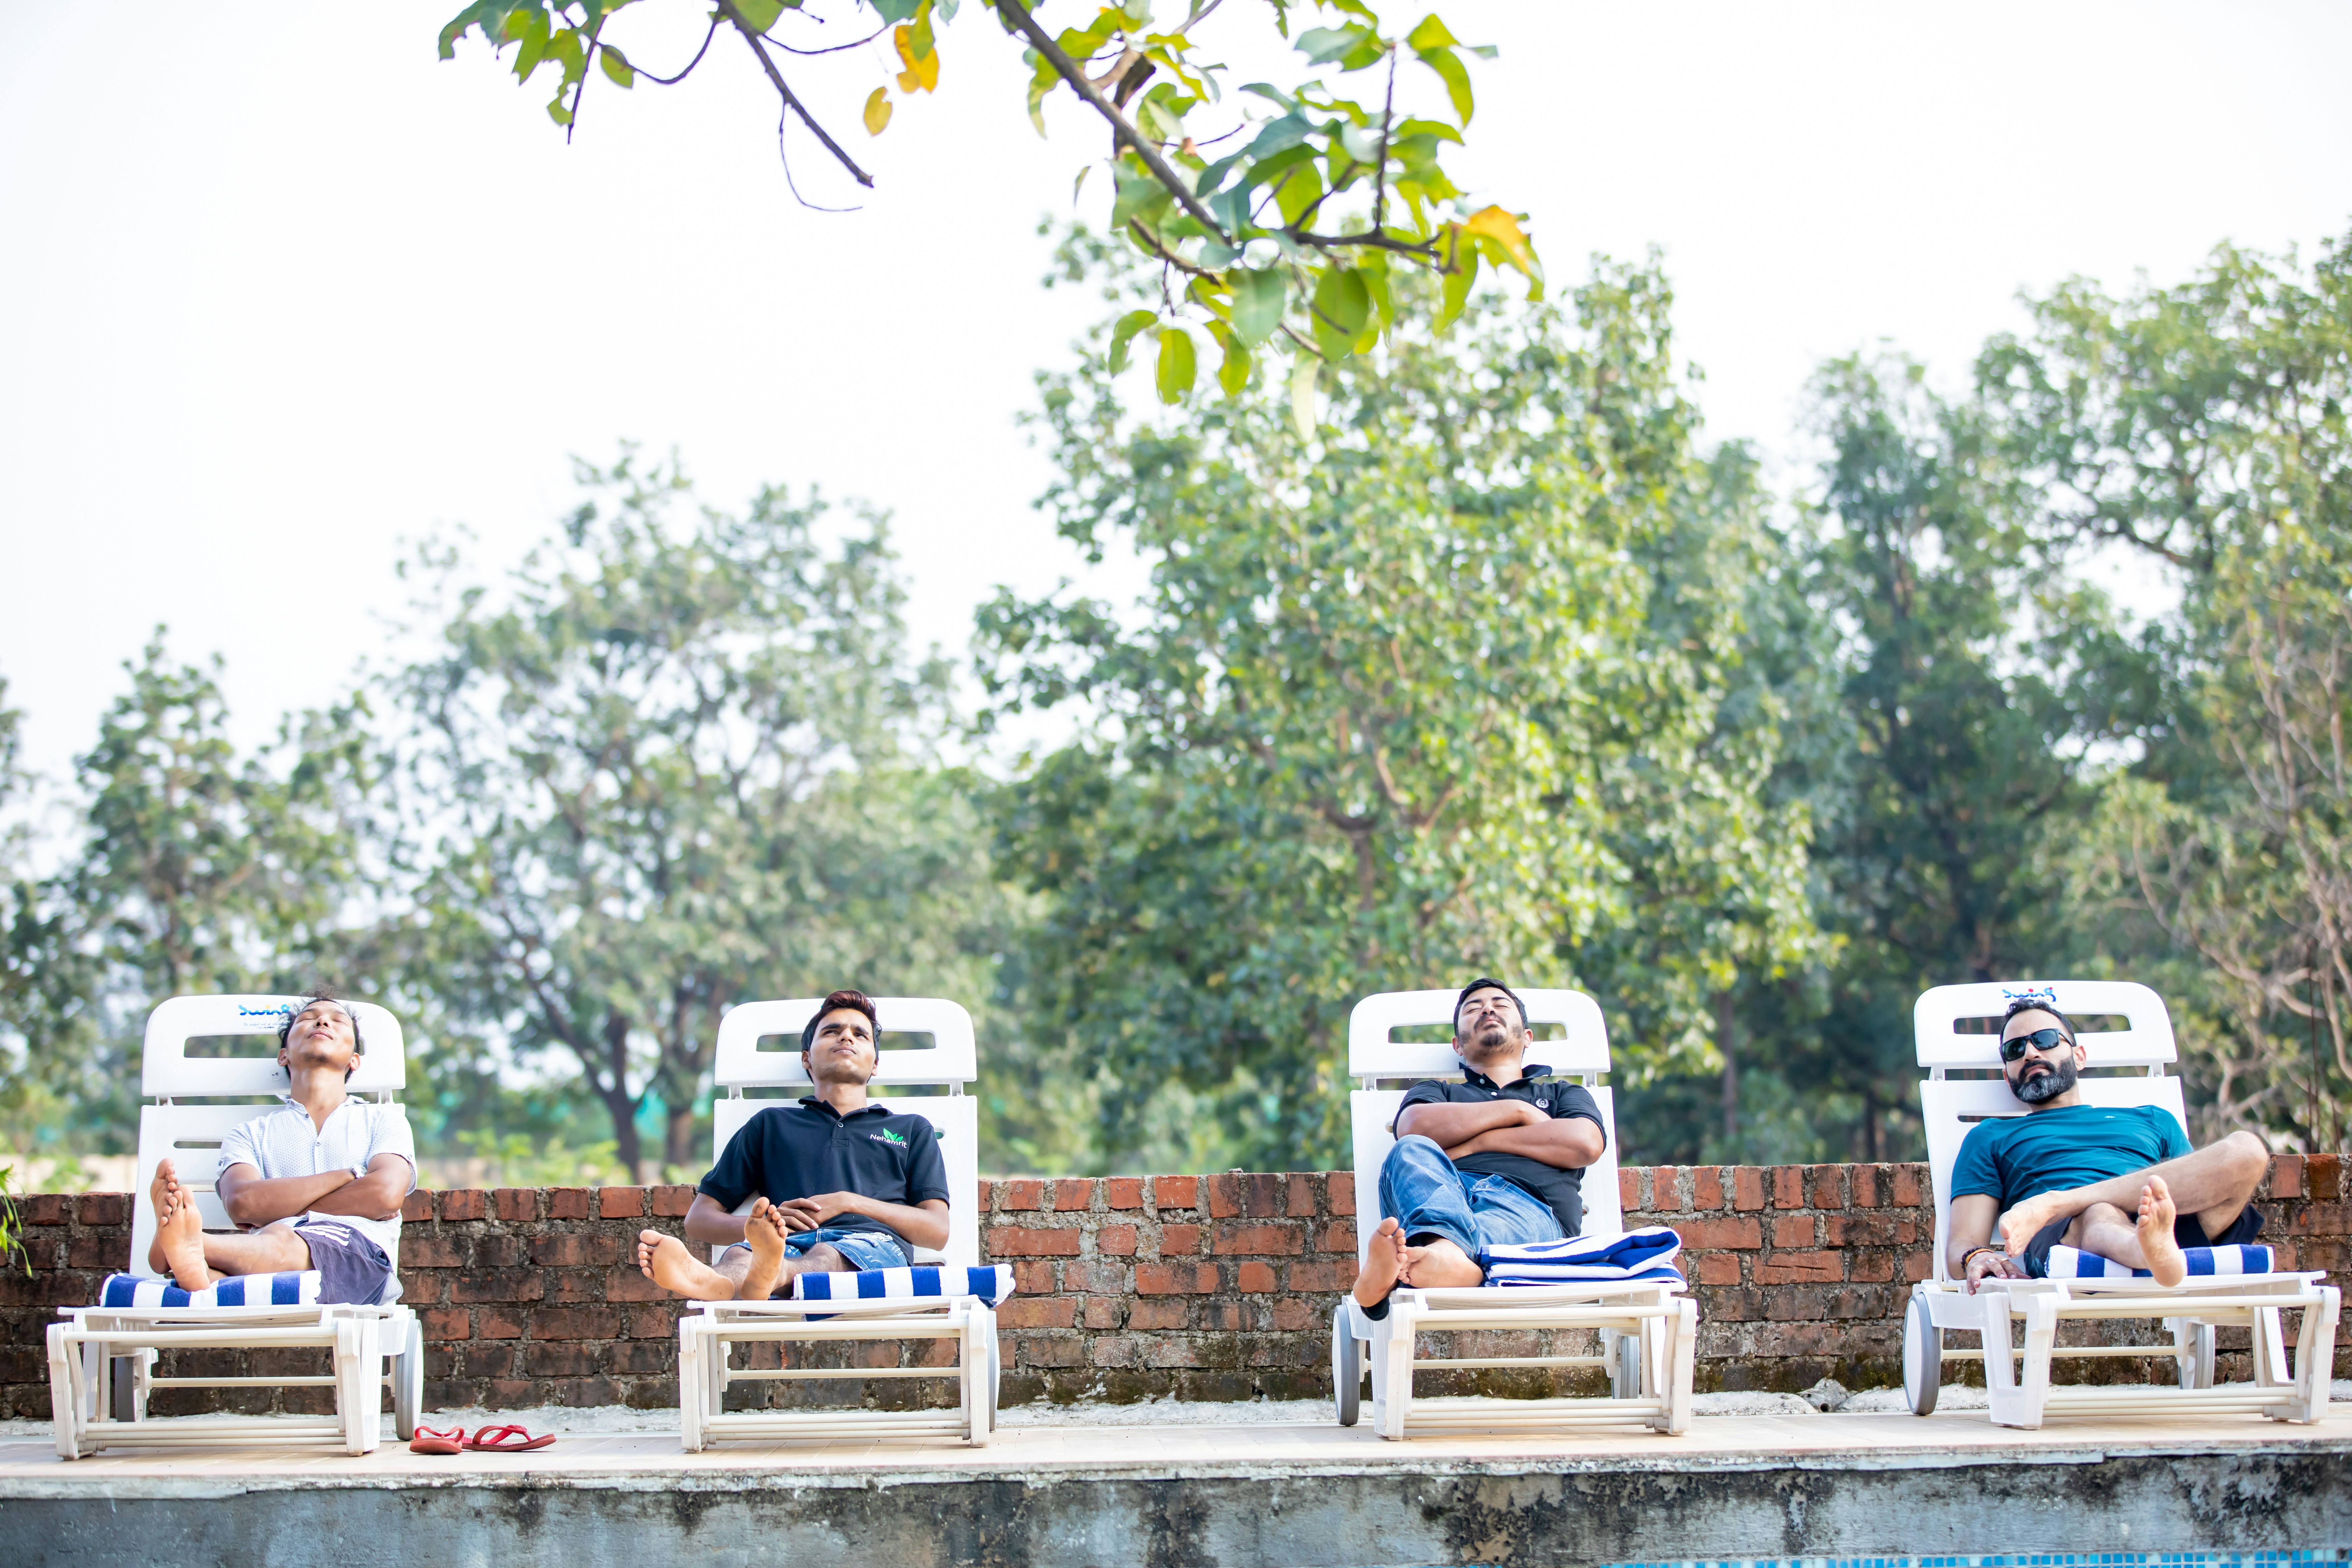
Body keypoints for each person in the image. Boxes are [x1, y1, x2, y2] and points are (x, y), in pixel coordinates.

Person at [636, 989, 951, 1300]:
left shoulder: (910, 1129)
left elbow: (937, 1231)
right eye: (832, 1031)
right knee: (742, 1257)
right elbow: (699, 1220)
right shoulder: (771, 1125)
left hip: (870, 1248)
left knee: (828, 1254)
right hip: (783, 1245)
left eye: (860, 1034)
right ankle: (713, 1281)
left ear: (875, 1064)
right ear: (806, 1059)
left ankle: (770, 1276)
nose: (846, 1038)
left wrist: (849, 1202)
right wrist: (760, 1228)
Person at [1947, 994, 2270, 1290]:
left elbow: (2190, 1193)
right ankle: (2146, 1249)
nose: (2031, 1053)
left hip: (2170, 1227)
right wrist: (1975, 1257)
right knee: (2100, 1211)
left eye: (2044, 1040)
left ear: (2080, 1056)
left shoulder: (2153, 1119)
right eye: (2015, 1050)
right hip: (2072, 1237)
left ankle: (2071, 1207)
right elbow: (1963, 1243)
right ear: (2008, 1076)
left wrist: (2056, 1203)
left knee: (2249, 1149)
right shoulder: (1991, 1136)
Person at [1350, 978, 1607, 1314]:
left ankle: (1418, 1267)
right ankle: (1446, 1261)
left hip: (1529, 1206)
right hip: (1444, 1193)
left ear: (1527, 1037)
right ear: (1458, 1045)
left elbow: (1585, 1144)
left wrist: (1479, 1142)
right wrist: (1517, 1111)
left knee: (1493, 1226)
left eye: (1500, 1005)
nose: (1487, 1008)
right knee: (1411, 1149)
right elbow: (1415, 1129)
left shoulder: (1562, 1095)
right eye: (1474, 1008)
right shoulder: (1439, 1093)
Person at [146, 989, 416, 1304]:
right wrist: (344, 1177)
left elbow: (384, 1194)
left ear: (354, 1059)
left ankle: (191, 1244)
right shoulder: (249, 1134)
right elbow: (243, 1205)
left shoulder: (383, 1121)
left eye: (338, 1020)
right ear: (283, 1055)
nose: (323, 1021)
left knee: (282, 1236)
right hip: (270, 1262)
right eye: (308, 1019)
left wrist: (279, 1211)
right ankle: (197, 1266)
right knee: (225, 1272)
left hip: (359, 1258)